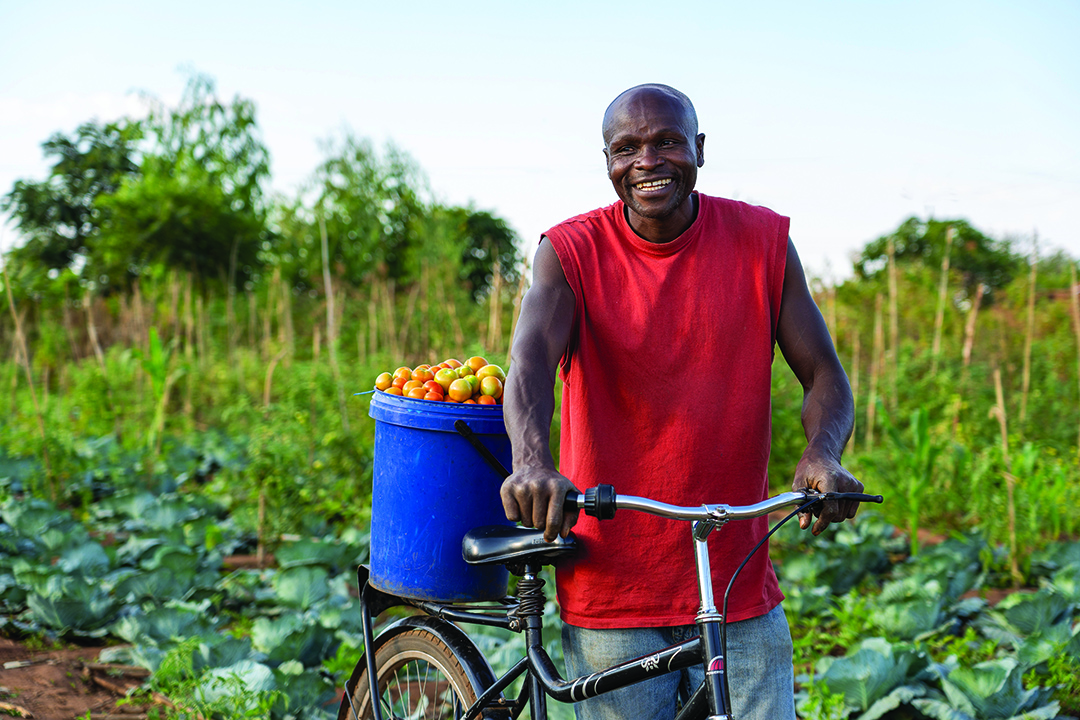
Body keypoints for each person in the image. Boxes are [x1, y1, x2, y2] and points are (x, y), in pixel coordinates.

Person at [500, 83, 863, 720]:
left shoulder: (762, 242)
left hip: (735, 571)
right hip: (611, 575)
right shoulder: (569, 252)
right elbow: (527, 364)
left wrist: (821, 455)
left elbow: (824, 374)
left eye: (667, 141)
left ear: (698, 149)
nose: (647, 160)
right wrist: (531, 460)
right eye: (627, 148)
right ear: (607, 161)